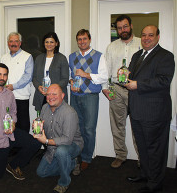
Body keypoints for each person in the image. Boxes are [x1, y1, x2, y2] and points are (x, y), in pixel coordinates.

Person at [126, 25, 175, 193]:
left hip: (155, 112)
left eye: (151, 35)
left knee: (155, 149)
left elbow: (163, 80)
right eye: (144, 35)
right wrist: (124, 75)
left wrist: (137, 84)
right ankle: (146, 174)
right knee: (143, 146)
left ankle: (155, 183)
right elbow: (131, 77)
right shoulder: (137, 55)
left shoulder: (166, 56)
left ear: (158, 37)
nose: (146, 38)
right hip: (137, 111)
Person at [0, 63, 41, 180]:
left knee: (35, 143)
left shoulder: (9, 94)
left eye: (5, 75)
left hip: (10, 135)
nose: (2, 78)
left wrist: (13, 124)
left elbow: (13, 112)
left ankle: (13, 165)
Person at [102, 14, 141, 168]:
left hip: (136, 91)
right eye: (119, 28)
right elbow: (107, 70)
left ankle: (142, 159)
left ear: (131, 26)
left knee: (138, 125)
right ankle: (120, 155)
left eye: (125, 26)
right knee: (117, 125)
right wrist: (106, 88)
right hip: (117, 90)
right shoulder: (112, 46)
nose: (123, 30)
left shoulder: (141, 43)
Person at [69, 29, 108, 170]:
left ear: (89, 39)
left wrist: (86, 74)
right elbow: (70, 75)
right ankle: (77, 154)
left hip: (91, 96)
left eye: (84, 39)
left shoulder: (99, 56)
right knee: (76, 128)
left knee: (89, 129)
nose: (82, 41)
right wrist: (71, 82)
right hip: (75, 96)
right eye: (79, 39)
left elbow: (104, 77)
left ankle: (86, 157)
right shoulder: (72, 57)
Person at [35, 84, 84, 193]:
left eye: (54, 94)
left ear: (62, 95)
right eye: (48, 94)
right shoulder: (44, 108)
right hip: (52, 148)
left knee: (62, 151)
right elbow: (41, 127)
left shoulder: (69, 113)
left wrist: (46, 141)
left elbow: (67, 140)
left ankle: (64, 182)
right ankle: (72, 163)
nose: (50, 97)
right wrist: (37, 128)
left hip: (72, 145)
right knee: (41, 173)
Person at [1, 32, 34, 133]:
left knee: (22, 124)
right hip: (6, 96)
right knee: (8, 123)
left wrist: (13, 86)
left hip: (21, 97)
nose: (13, 43)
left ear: (20, 43)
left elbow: (28, 76)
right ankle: (11, 147)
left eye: (16, 41)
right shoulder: (3, 58)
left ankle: (23, 148)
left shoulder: (27, 57)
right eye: (11, 41)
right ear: (8, 43)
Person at [33, 32, 69, 111]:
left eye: (52, 42)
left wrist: (51, 90)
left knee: (58, 121)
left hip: (56, 96)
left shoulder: (62, 58)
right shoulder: (38, 58)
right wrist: (39, 87)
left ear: (56, 43)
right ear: (44, 43)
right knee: (42, 120)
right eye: (47, 42)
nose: (49, 44)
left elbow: (65, 79)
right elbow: (34, 77)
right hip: (41, 95)